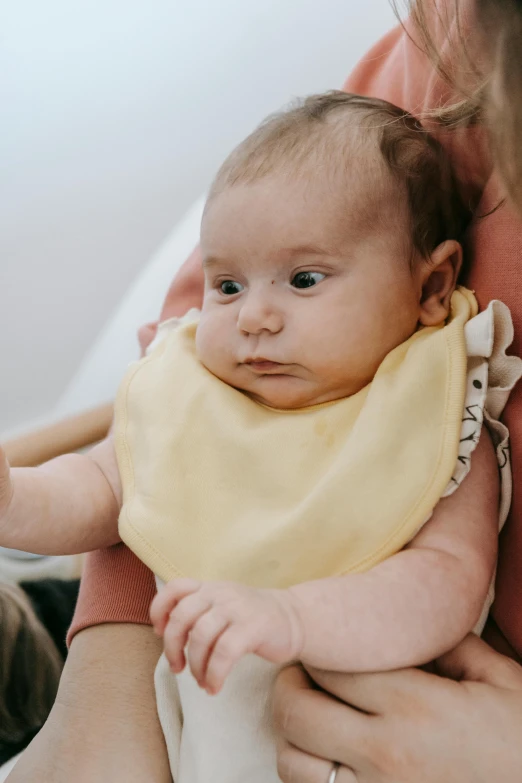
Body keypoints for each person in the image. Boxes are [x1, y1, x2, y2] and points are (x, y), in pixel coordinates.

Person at [7, 1, 522, 781]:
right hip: (143, 694)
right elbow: (104, 485)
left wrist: (291, 616)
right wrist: (16, 500)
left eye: (305, 280)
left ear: (433, 285)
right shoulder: (438, 57)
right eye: (228, 284)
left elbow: (443, 584)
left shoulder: (434, 418)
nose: (253, 318)